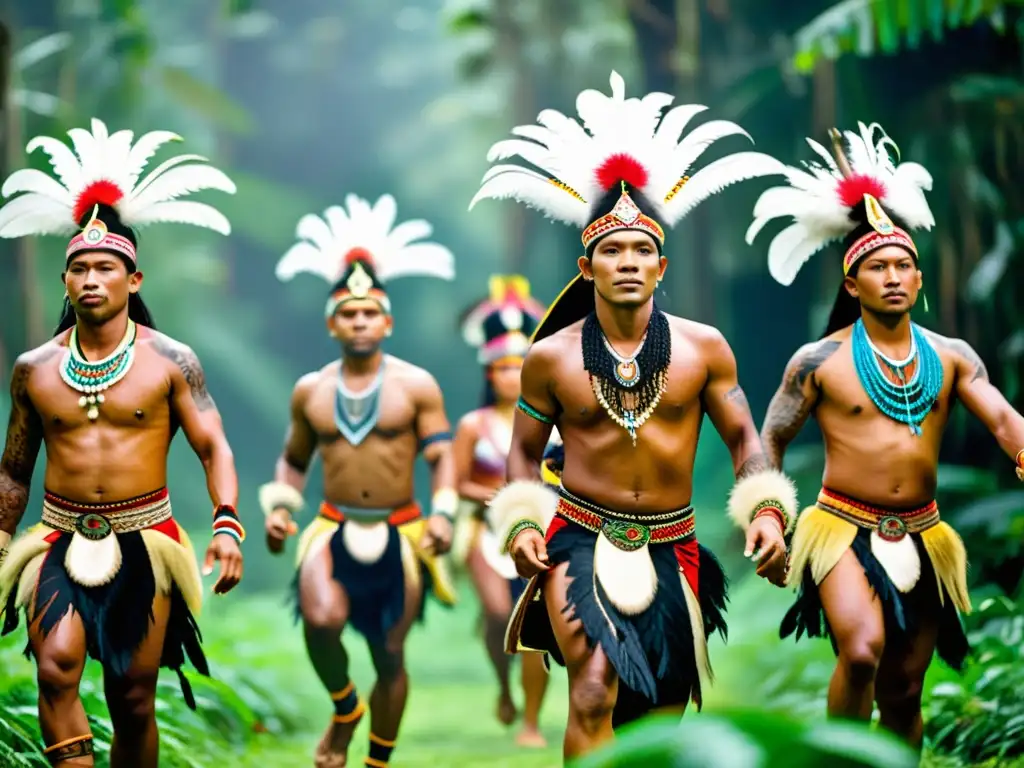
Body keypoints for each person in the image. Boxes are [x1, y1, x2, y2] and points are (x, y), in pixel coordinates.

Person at [468, 71, 800, 760]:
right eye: (611, 251)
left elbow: (743, 437)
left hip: (672, 544)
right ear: (587, 266)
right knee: (592, 689)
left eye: (640, 250)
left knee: (661, 708)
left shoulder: (704, 348)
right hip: (578, 537)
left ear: (660, 264)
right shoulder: (552, 359)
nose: (627, 261)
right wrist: (525, 521)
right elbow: (524, 453)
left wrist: (766, 509)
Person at [750, 122, 1024, 750]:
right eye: (878, 267)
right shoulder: (817, 361)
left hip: (925, 532)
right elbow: (769, 438)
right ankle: (841, 764)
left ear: (920, 281)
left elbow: (1005, 420)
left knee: (903, 689)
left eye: (905, 265)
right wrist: (766, 515)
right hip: (841, 527)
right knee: (865, 650)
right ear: (853, 285)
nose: (894, 276)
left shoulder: (952, 356)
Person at [0, 118, 243, 767]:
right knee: (55, 671)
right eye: (78, 267)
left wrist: (227, 524)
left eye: (105, 267)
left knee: (132, 696)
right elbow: (15, 469)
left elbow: (213, 445)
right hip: (56, 540)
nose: (90, 279)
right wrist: (1, 536)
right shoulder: (35, 370)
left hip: (146, 541)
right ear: (64, 281)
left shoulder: (171, 361)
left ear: (133, 281)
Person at [260, 193, 460, 768]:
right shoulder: (311, 391)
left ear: (387, 320)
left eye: (369, 313)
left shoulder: (417, 386)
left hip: (400, 531)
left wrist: (443, 514)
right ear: (332, 323)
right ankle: (346, 706)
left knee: (390, 653)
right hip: (332, 526)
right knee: (321, 622)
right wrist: (281, 507)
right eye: (348, 314)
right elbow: (293, 459)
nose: (359, 321)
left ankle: (376, 761)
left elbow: (441, 457)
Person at [452, 274, 551, 746]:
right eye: (503, 367)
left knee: (534, 623)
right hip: (486, 532)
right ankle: (501, 683)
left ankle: (530, 721)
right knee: (497, 613)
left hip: (544, 529)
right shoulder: (473, 425)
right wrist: (497, 498)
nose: (511, 375)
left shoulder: (556, 422)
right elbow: (456, 482)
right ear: (489, 372)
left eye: (520, 366)